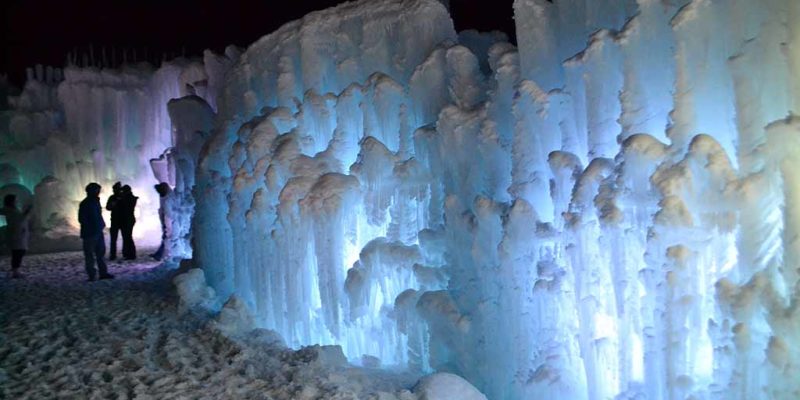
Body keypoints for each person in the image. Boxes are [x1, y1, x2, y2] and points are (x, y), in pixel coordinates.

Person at [78, 183, 113, 281]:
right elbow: (82, 219)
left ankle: (102, 273)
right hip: (90, 233)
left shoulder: (95, 202)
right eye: (97, 190)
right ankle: (92, 275)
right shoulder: (86, 203)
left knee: (100, 254)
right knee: (90, 255)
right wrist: (93, 226)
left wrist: (101, 225)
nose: (98, 192)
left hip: (97, 232)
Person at [1, 194, 32, 279]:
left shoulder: (12, 210)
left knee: (18, 252)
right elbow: (19, 219)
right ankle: (16, 271)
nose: (17, 201)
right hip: (16, 234)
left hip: (18, 234)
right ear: (11, 201)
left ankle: (15, 269)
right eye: (16, 200)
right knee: (18, 253)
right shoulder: (10, 210)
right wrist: (27, 212)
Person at [150, 182, 171, 261]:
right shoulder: (164, 196)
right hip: (165, 220)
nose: (158, 192)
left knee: (166, 237)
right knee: (165, 237)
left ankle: (160, 254)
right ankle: (159, 254)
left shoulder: (168, 198)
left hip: (168, 221)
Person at [119, 185, 138, 260]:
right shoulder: (130, 197)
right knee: (127, 237)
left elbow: (125, 207)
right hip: (128, 219)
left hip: (127, 219)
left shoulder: (129, 198)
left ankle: (131, 254)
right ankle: (128, 253)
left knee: (127, 237)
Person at [105, 182, 123, 260]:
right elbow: (108, 207)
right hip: (115, 220)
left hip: (121, 220)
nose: (114, 190)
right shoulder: (112, 197)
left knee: (124, 238)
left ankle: (124, 253)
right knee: (113, 238)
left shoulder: (123, 197)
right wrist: (114, 204)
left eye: (115, 189)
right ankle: (113, 254)